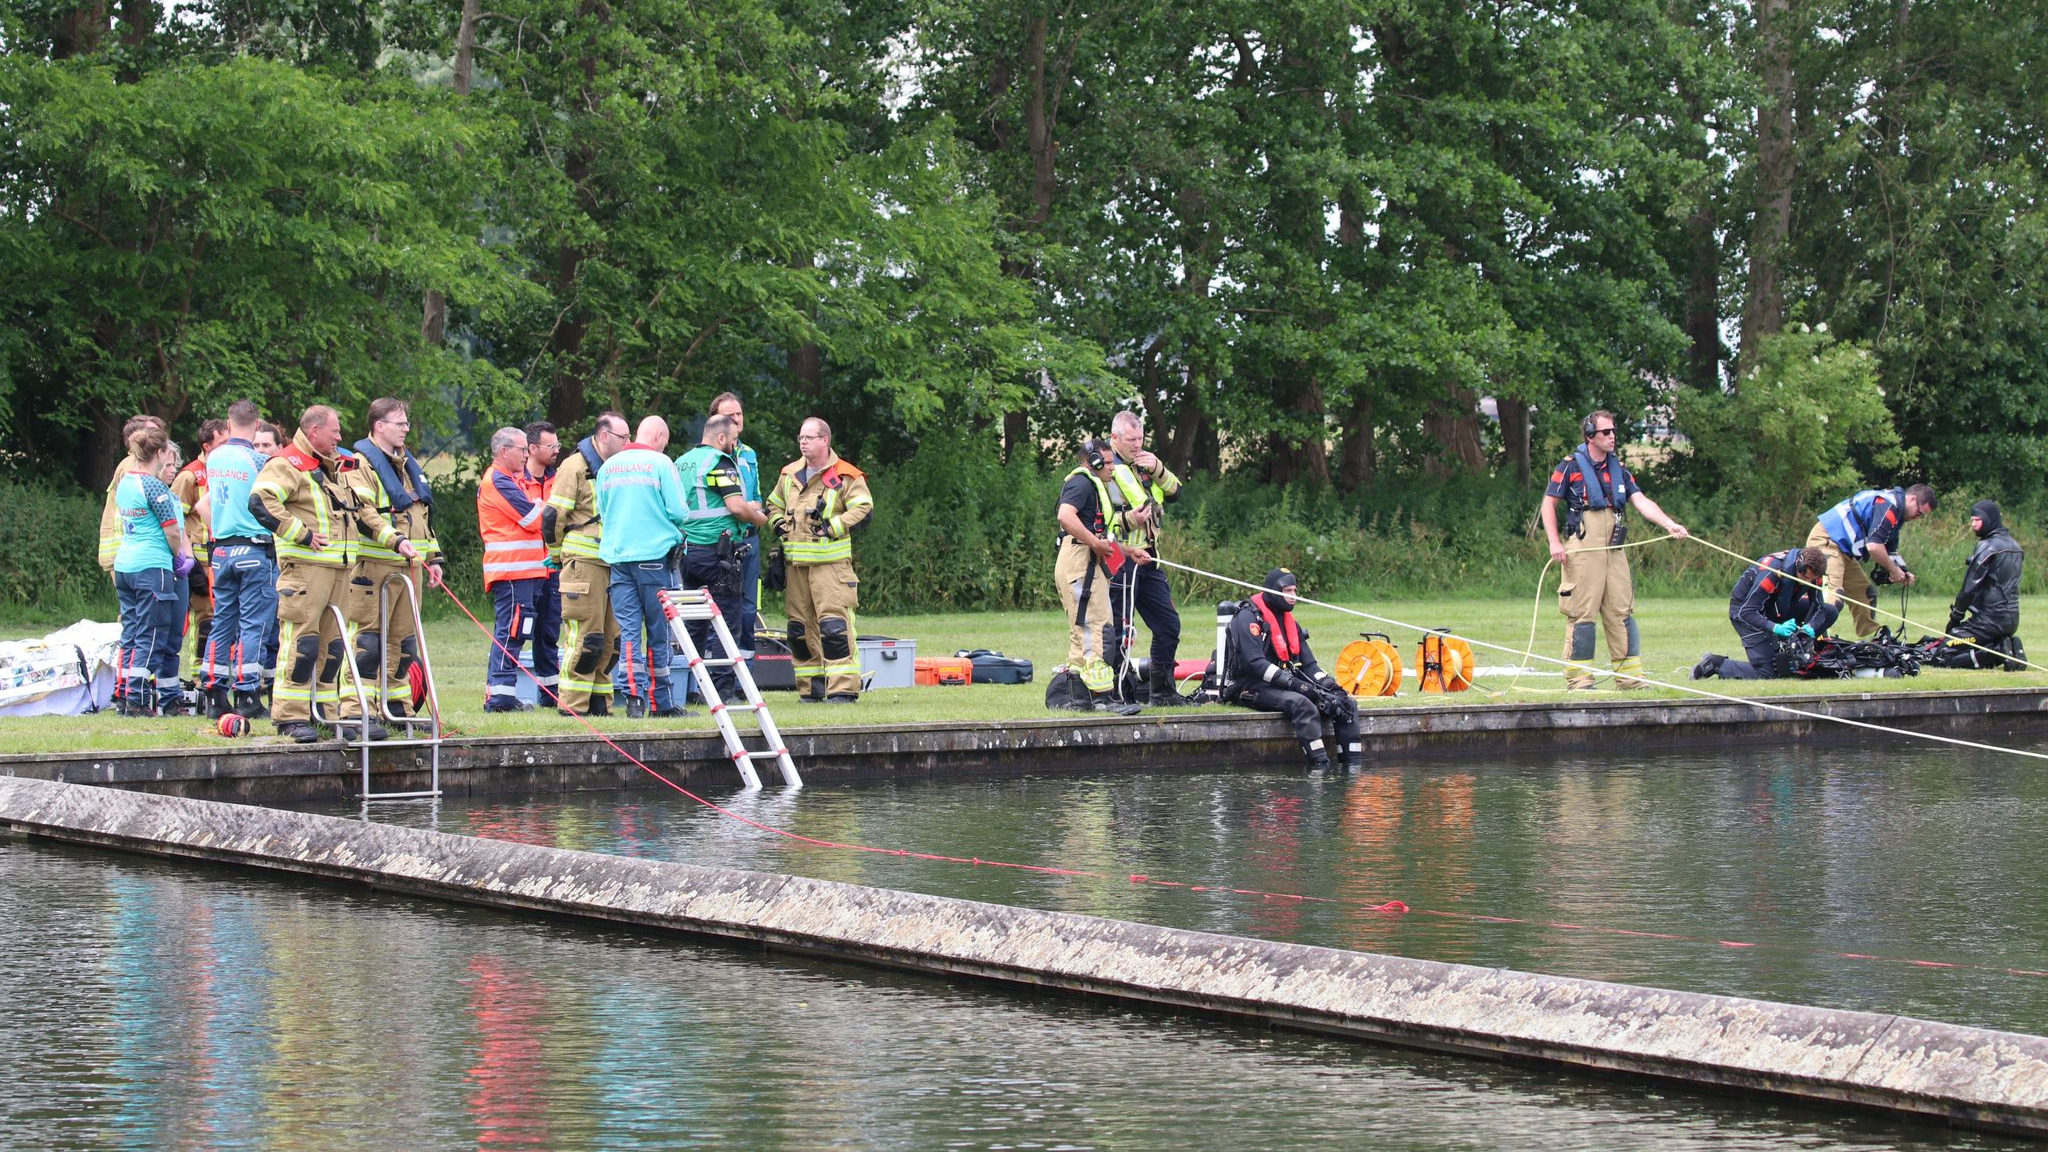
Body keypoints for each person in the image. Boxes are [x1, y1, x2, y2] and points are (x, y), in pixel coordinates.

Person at [1539, 410, 1690, 689]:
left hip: (1615, 549)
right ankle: (1580, 680)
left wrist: (1670, 525)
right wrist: (1554, 542)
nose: (1612, 437)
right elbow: (1548, 504)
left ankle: (1630, 679)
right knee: (1582, 612)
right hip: (1583, 547)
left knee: (1622, 610)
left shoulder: (1618, 469)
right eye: (1606, 432)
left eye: (1613, 431)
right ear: (1590, 437)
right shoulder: (1570, 466)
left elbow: (1641, 501)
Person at [251, 405, 368, 743]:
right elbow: (260, 500)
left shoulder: (331, 467)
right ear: (314, 431)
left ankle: (324, 714)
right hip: (305, 568)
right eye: (335, 430)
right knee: (302, 642)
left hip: (338, 568)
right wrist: (299, 533)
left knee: (332, 648)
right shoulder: (287, 463)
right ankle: (290, 716)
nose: (340, 436)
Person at [768, 418, 873, 703]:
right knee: (799, 631)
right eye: (800, 437)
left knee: (834, 627)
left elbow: (863, 506)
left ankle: (843, 689)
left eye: (809, 437)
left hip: (831, 567)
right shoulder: (789, 474)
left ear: (824, 440)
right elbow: (773, 503)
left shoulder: (845, 475)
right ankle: (811, 688)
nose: (803, 442)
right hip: (796, 567)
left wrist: (834, 526)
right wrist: (777, 523)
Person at [598, 415, 695, 719]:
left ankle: (632, 700)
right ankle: (661, 702)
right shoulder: (661, 463)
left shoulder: (607, 467)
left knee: (628, 633)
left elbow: (604, 511)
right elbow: (680, 512)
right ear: (659, 437)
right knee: (659, 631)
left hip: (618, 559)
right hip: (654, 558)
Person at [348, 398, 438, 721]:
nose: (406, 429)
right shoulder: (362, 465)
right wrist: (394, 540)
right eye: (400, 424)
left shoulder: (408, 465)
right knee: (369, 642)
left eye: (407, 423)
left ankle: (397, 706)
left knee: (404, 643)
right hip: (375, 568)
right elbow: (363, 513)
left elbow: (422, 515)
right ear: (379, 426)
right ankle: (358, 707)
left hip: (411, 567)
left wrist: (435, 556)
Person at [1221, 569, 1363, 772]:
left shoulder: (1290, 623)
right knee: (1302, 704)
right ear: (1271, 591)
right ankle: (1320, 768)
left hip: (1284, 684)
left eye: (1295, 591)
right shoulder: (1248, 619)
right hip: (1250, 686)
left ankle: (1353, 769)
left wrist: (1332, 686)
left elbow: (1310, 666)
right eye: (1287, 591)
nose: (1293, 596)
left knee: (1345, 702)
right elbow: (1255, 664)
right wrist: (1295, 685)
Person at [675, 412, 769, 700]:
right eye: (731, 439)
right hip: (718, 552)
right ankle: (722, 688)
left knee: (695, 622)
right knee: (726, 621)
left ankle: (691, 687)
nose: (733, 444)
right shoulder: (720, 461)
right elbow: (737, 507)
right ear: (720, 438)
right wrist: (759, 518)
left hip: (687, 552)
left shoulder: (682, 462)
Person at [543, 411, 629, 716]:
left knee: (610, 641)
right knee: (586, 637)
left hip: (613, 564)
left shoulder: (616, 468)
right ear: (604, 436)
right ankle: (572, 705)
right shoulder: (574, 467)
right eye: (624, 437)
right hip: (584, 564)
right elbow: (553, 516)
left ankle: (600, 704)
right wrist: (556, 554)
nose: (628, 442)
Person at [1106, 411, 1189, 705]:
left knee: (1169, 625)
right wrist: (1128, 520)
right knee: (1120, 630)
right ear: (1114, 438)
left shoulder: (1145, 463)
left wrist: (1159, 468)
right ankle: (1118, 693)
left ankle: (1162, 691)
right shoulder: (1104, 467)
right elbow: (1094, 522)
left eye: (1140, 439)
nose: (1137, 445)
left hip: (1150, 558)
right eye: (1131, 440)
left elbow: (1176, 492)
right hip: (1120, 560)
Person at [112, 425, 194, 716]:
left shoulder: (125, 483)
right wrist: (179, 557)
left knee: (131, 633)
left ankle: (123, 696)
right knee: (151, 634)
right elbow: (172, 532)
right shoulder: (154, 486)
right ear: (159, 453)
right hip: (152, 566)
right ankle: (137, 700)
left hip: (125, 565)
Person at [1054, 439, 1147, 694]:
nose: (1112, 468)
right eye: (1106, 463)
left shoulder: (1094, 486)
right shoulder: (1082, 483)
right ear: (1091, 462)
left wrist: (1128, 552)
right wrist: (1095, 543)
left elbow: (1099, 535)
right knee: (1095, 631)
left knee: (1084, 632)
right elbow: (1065, 516)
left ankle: (1075, 694)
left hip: (1085, 562)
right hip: (1080, 565)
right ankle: (1101, 696)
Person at [204, 400, 277, 720]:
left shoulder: (214, 458)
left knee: (221, 622)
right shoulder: (259, 460)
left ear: (229, 423)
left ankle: (214, 694)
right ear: (257, 424)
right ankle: (247, 694)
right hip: (253, 548)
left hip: (221, 550)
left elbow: (206, 504)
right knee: (253, 625)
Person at [477, 427, 550, 713]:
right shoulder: (498, 480)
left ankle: (503, 693)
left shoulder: (511, 479)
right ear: (504, 451)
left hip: (525, 571)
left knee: (519, 630)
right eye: (522, 449)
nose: (526, 454)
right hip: (511, 572)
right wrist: (540, 506)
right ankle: (500, 696)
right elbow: (534, 519)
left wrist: (538, 505)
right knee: (511, 631)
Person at [1806, 482, 1937, 637]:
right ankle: (1814, 640)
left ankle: (1871, 643)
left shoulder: (1897, 514)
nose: (1918, 517)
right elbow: (1874, 546)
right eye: (1919, 513)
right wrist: (1893, 571)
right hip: (1827, 541)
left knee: (1866, 595)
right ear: (1913, 499)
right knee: (1834, 595)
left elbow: (1890, 552)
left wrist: (1903, 572)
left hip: (1844, 551)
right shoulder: (1888, 505)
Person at [1692, 547, 1833, 680]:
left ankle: (1797, 650)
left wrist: (1810, 626)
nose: (1806, 582)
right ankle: (1716, 663)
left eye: (1811, 580)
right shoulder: (1773, 573)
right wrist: (1775, 628)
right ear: (1799, 565)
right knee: (1768, 672)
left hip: (1777, 606)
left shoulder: (1814, 576)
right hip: (1746, 612)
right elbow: (1746, 612)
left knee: (1830, 612)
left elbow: (1820, 609)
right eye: (1805, 577)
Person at [172, 419, 225, 709]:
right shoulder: (190, 476)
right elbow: (174, 519)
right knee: (203, 621)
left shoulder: (225, 469)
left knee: (220, 621)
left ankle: (214, 673)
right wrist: (186, 561)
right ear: (207, 446)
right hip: (199, 562)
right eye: (222, 443)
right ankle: (196, 677)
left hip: (221, 558)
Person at [710, 392, 763, 661]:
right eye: (729, 415)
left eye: (739, 414)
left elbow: (758, 497)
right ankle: (718, 676)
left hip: (751, 539)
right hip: (724, 541)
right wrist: (747, 506)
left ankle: (747, 680)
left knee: (748, 609)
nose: (736, 419)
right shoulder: (710, 457)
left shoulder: (749, 453)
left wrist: (753, 507)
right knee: (720, 608)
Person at [1941, 499, 2024, 665]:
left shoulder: (1987, 546)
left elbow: (1969, 588)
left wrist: (1955, 618)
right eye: (1972, 520)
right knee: (1969, 643)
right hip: (2011, 621)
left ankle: (1998, 652)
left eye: (1977, 520)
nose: (1973, 524)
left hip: (1988, 622)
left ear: (1989, 520)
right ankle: (2006, 645)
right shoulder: (2016, 546)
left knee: (1944, 651)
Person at [521, 420, 564, 704]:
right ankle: (505, 692)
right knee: (518, 631)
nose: (557, 451)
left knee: (550, 631)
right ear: (532, 448)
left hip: (553, 567)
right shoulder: (514, 480)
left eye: (558, 445)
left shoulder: (560, 478)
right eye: (551, 446)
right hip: (524, 569)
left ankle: (549, 694)